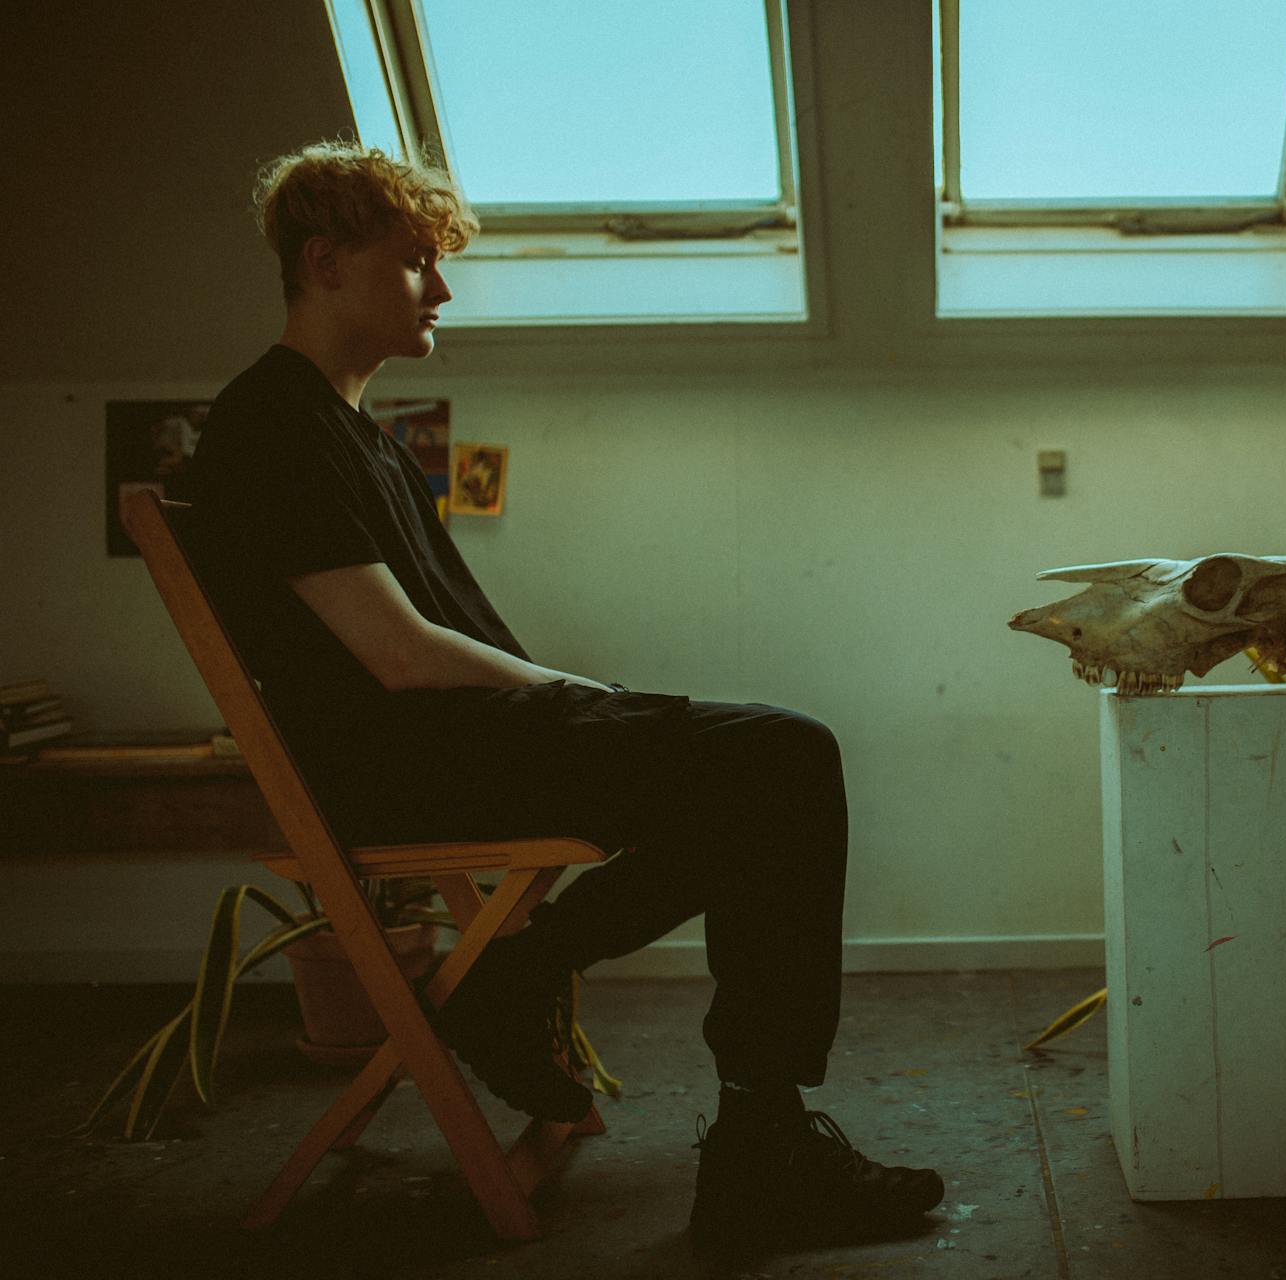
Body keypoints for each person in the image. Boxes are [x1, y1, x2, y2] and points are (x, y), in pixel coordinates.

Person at [183, 140, 944, 1249]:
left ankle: (559, 1000)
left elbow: (444, 643)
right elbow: (396, 654)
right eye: (415, 264)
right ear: (326, 261)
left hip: (456, 743)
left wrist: (588, 703)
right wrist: (577, 692)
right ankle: (740, 1136)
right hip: (406, 764)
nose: (441, 289)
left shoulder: (365, 440)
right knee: (785, 758)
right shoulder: (268, 425)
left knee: (763, 783)